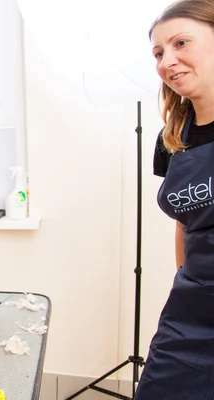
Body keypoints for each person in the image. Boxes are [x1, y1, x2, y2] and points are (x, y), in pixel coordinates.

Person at [136, 0, 214, 398]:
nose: (168, 60)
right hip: (189, 310)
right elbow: (186, 223)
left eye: (181, 42)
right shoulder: (173, 137)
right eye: (158, 52)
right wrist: (184, 278)